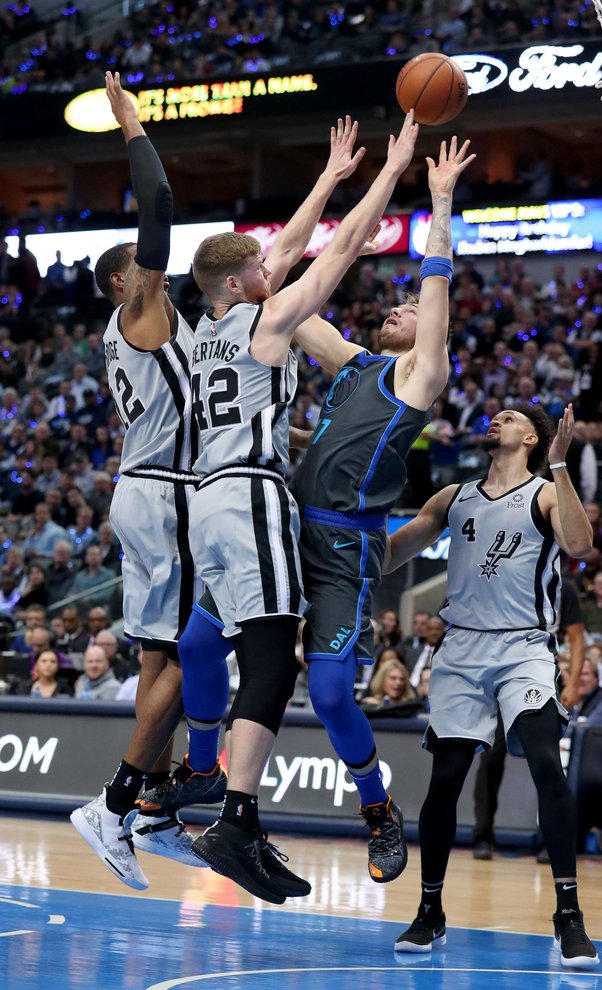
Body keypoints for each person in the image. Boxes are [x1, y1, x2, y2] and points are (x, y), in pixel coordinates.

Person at [138, 111, 420, 904]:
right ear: (241, 283)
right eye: (259, 266)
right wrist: (389, 175)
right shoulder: (279, 325)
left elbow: (291, 250)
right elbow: (320, 258)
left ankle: (201, 769)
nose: (273, 264)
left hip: (217, 507)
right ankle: (234, 808)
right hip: (262, 501)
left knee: (204, 644)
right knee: (270, 661)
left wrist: (332, 178)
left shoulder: (203, 328)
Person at [289, 135, 475, 884]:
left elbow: (434, 294)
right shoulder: (354, 365)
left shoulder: (419, 377)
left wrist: (438, 201)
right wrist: (340, 253)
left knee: (331, 691)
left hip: (344, 546)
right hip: (285, 528)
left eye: (405, 306)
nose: (397, 307)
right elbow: (285, 306)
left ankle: (377, 808)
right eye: (393, 303)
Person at [385, 404, 599, 969]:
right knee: (446, 781)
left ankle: (568, 914)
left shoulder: (545, 493)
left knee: (546, 765)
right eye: (494, 416)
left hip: (524, 648)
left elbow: (579, 545)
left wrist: (560, 467)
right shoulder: (454, 497)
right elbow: (388, 556)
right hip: (461, 649)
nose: (494, 420)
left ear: (531, 437)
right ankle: (430, 911)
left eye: (508, 417)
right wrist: (342, 526)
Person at [70, 72, 212, 889]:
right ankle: (119, 804)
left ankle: (147, 806)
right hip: (166, 493)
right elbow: (157, 207)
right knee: (186, 655)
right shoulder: (142, 309)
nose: (157, 269)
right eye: (144, 266)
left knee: (166, 660)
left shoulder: (154, 330)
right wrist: (131, 125)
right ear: (126, 282)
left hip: (153, 489)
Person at [472, 579, 586, 862]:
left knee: (546, 761)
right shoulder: (505, 576)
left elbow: (577, 638)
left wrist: (572, 683)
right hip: (500, 675)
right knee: (489, 759)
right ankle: (483, 836)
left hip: (542, 674)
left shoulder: (563, 588)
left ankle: (553, 840)